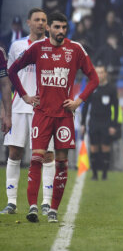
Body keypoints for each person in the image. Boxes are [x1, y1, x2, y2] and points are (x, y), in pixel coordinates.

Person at [8, 12, 99, 223]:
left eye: (64, 28)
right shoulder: (38, 48)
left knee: (61, 163)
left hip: (64, 116)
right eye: (56, 27)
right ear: (48, 28)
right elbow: (12, 71)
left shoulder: (75, 49)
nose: (60, 31)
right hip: (42, 113)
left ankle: (53, 210)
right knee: (36, 159)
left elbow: (94, 78)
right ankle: (32, 207)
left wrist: (79, 100)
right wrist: (25, 96)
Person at [1, 8, 56, 216]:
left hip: (44, 108)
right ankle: (12, 202)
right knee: (14, 152)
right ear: (29, 23)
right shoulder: (17, 46)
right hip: (19, 106)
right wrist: (4, 108)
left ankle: (46, 202)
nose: (41, 23)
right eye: (37, 20)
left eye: (44, 20)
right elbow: (6, 78)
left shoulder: (52, 47)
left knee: (46, 155)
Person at [81, 65, 119, 181]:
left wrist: (113, 124)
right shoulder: (92, 87)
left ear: (105, 74)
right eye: (97, 72)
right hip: (93, 122)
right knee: (94, 148)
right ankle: (95, 174)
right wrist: (83, 123)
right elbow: (85, 106)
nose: (99, 74)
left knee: (105, 148)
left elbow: (116, 108)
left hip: (106, 123)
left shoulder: (111, 89)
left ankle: (105, 174)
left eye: (101, 72)